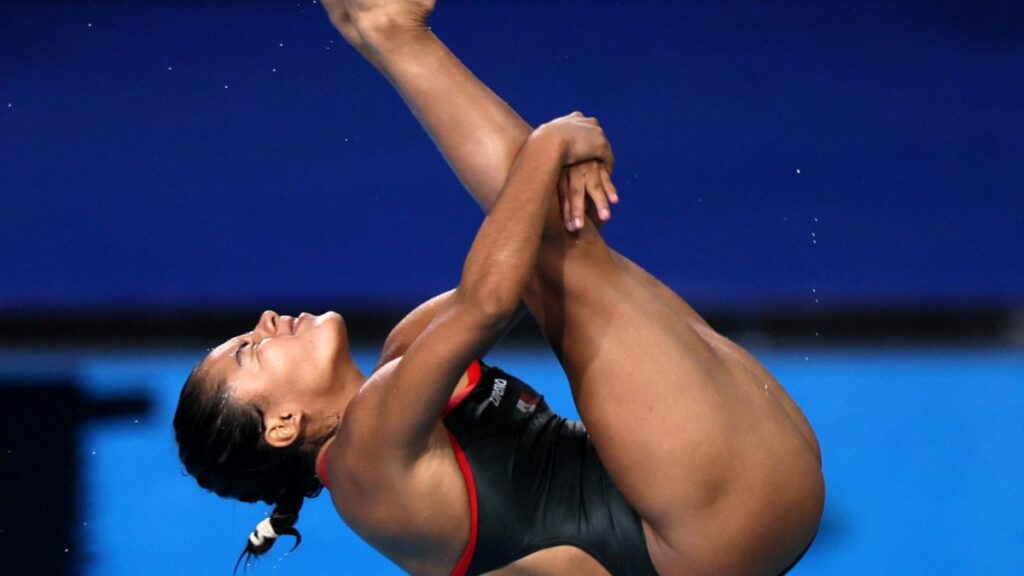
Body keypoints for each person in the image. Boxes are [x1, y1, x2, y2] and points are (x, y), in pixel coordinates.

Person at [174, 1, 825, 575]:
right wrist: (550, 145)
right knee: (562, 254)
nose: (264, 321)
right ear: (284, 425)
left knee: (555, 255)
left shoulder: (401, 361)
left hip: (719, 509)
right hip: (710, 531)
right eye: (249, 351)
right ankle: (389, 32)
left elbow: (510, 264)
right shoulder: (361, 462)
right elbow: (488, 299)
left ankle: (381, 31)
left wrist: (553, 166)